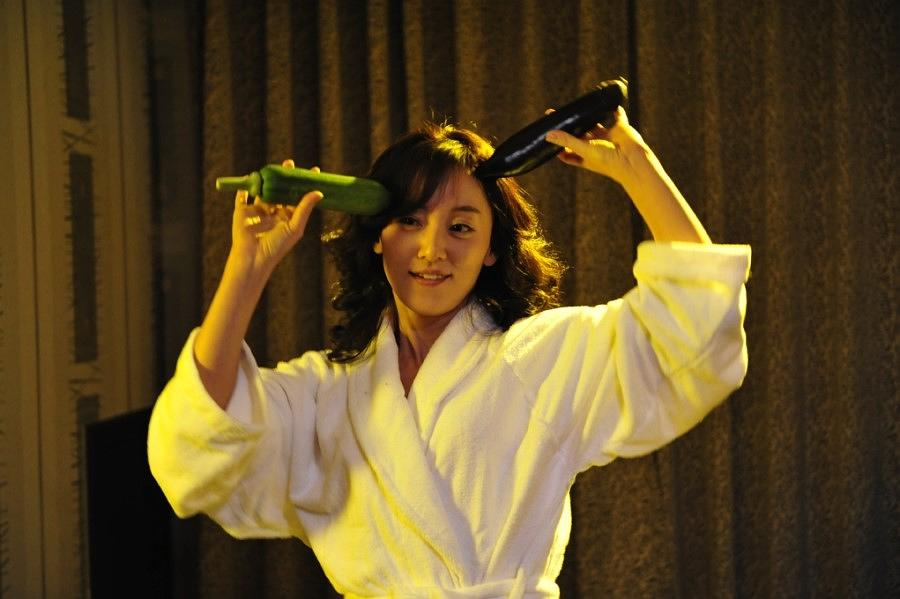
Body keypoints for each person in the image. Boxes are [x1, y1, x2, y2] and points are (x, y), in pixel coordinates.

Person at [148, 107, 751, 598]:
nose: (432, 249)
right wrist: (246, 270)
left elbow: (690, 332)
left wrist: (639, 169)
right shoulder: (326, 392)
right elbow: (201, 441)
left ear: (491, 247)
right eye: (410, 220)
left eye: (461, 227)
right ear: (378, 237)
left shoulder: (539, 359)